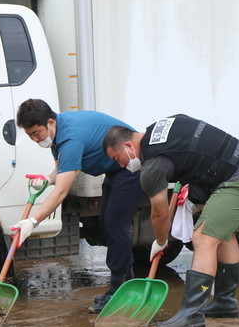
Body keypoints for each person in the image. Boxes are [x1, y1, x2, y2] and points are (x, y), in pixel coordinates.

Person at [103, 116, 239, 327]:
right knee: (224, 235)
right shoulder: (159, 129)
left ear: (128, 146)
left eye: (118, 159)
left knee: (204, 238)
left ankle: (191, 315)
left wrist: (160, 241)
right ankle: (225, 303)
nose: (122, 165)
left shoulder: (152, 167)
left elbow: (160, 214)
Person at [14, 99, 145, 313]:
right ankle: (127, 286)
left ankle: (116, 290)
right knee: (107, 222)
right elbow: (62, 169)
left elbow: (62, 191)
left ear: (50, 122)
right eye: (30, 136)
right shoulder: (58, 133)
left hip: (131, 164)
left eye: (36, 133)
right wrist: (47, 179)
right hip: (115, 169)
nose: (35, 139)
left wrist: (33, 221)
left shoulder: (70, 138)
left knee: (115, 224)